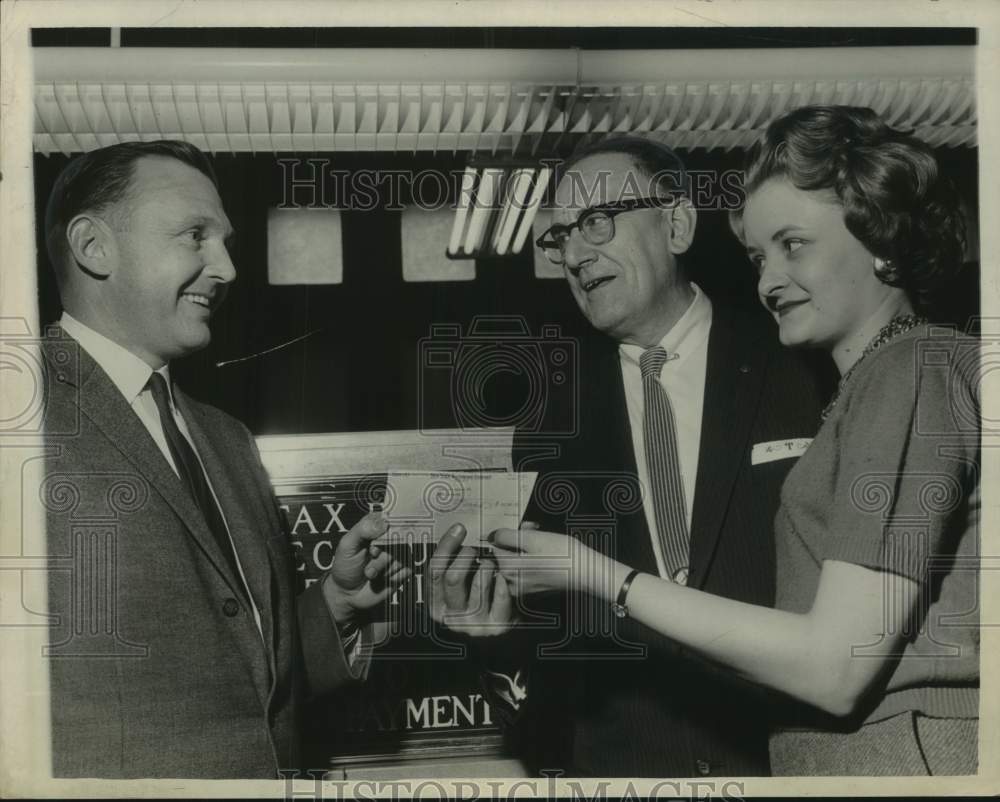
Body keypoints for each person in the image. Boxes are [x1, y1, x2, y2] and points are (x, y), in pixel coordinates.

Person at [485, 106, 980, 776]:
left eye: (793, 244)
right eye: (758, 256)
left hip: (892, 756)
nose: (768, 280)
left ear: (881, 236)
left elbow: (835, 668)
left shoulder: (901, 372)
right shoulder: (880, 377)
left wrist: (595, 573)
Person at [430, 136, 825, 777]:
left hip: (790, 763)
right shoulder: (550, 420)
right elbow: (550, 640)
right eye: (560, 238)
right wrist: (493, 636)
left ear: (677, 224)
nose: (574, 255)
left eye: (595, 222)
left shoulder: (802, 363)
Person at [39, 141, 409, 778]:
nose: (228, 267)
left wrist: (335, 605)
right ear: (93, 247)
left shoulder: (227, 438)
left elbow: (244, 676)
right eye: (195, 235)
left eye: (226, 241)